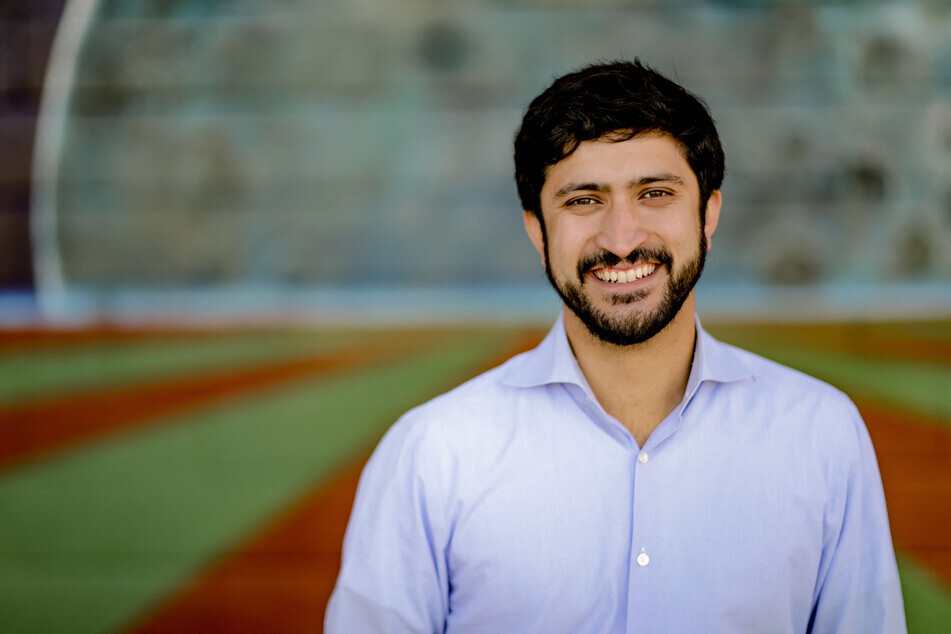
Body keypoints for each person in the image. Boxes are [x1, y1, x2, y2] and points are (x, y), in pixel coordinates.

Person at [325, 60, 906, 633]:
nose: (622, 239)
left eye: (654, 193)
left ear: (708, 215)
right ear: (536, 230)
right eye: (583, 200)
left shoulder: (823, 434)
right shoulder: (433, 454)